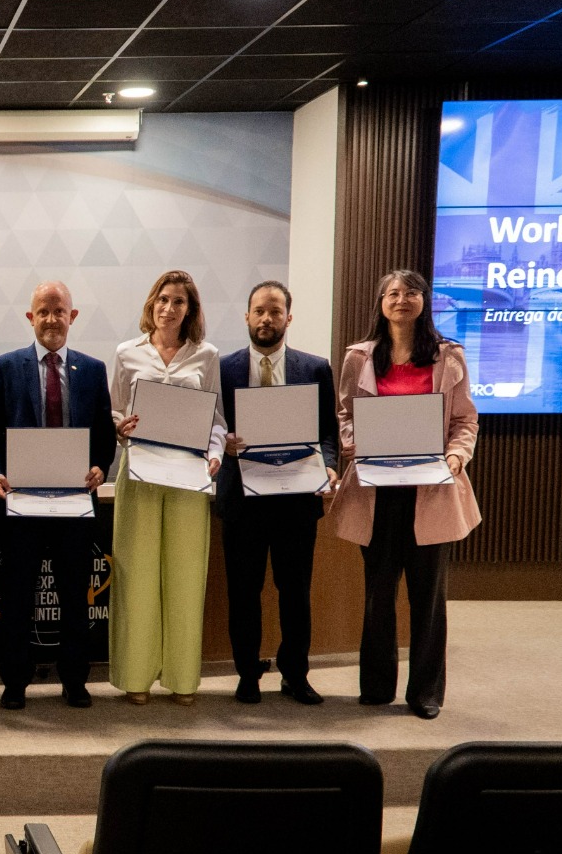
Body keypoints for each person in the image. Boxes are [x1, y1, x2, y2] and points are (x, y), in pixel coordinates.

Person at [330, 268, 480, 719]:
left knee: (427, 598)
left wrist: (456, 456)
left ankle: (425, 693)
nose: (401, 299)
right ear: (381, 303)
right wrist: (355, 442)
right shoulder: (359, 357)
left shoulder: (448, 356)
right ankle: (377, 687)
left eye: (411, 292)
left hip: (430, 489)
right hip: (376, 490)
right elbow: (345, 414)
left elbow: (465, 420)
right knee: (379, 594)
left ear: (424, 301)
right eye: (392, 293)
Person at [0, 281, 115, 710]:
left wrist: (100, 466)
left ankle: (75, 680)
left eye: (59, 311)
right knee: (18, 596)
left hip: (75, 502)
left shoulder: (93, 369)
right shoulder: (5, 366)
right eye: (43, 311)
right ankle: (15, 681)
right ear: (30, 317)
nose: (52, 319)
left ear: (72, 316)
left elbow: (104, 434)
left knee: (76, 596)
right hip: (22, 502)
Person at [217, 280, 339, 705]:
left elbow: (328, 432)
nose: (266, 319)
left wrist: (329, 464)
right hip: (242, 500)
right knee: (243, 594)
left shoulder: (315, 368)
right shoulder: (223, 369)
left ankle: (295, 674)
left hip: (296, 500)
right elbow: (210, 428)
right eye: (259, 311)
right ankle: (247, 674)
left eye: (274, 311)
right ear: (247, 317)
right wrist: (222, 443)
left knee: (295, 594)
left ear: (289, 317)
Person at [109, 269, 226, 706]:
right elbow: (114, 411)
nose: (169, 308)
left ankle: (182, 678)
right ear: (151, 304)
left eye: (178, 301)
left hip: (188, 476)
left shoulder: (206, 355)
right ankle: (136, 676)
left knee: (185, 575)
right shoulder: (127, 353)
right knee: (136, 574)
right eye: (163, 299)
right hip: (139, 471)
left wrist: (215, 453)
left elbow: (216, 420)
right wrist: (120, 427)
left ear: (189, 309)